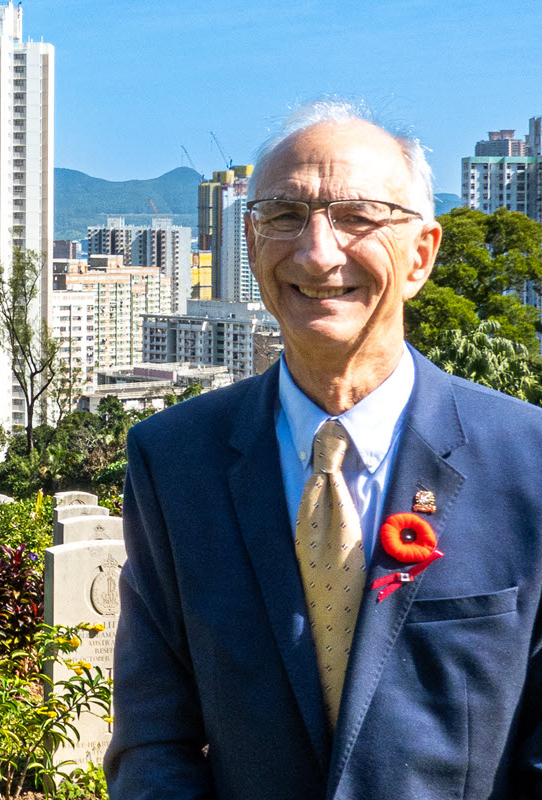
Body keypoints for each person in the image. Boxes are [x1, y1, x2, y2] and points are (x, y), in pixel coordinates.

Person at [106, 99, 542, 799]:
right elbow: (156, 740)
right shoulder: (175, 461)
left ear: (420, 255)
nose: (317, 251)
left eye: (358, 215)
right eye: (283, 216)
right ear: (251, 247)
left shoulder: (528, 461)